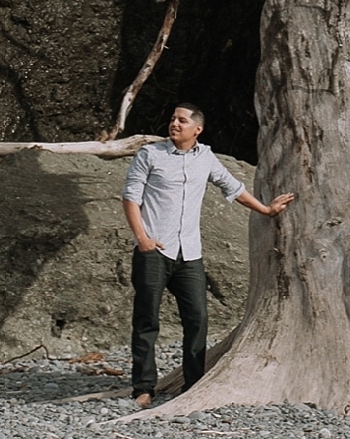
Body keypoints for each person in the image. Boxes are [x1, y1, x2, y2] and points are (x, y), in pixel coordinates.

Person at [124, 103, 294, 408]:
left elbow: (233, 186)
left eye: (181, 120)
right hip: (154, 251)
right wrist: (143, 239)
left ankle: (193, 384)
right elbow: (131, 197)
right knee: (146, 320)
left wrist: (267, 210)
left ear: (196, 129)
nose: (174, 124)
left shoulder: (206, 158)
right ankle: (143, 388)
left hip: (189, 254)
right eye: (173, 119)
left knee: (198, 320)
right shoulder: (150, 155)